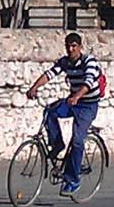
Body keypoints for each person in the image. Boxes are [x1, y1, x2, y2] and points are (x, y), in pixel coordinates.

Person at [26, 32, 102, 196]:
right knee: (50, 112)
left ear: (80, 47)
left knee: (77, 140)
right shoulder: (65, 62)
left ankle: (73, 180)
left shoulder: (89, 61)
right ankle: (58, 144)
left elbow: (89, 81)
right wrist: (34, 87)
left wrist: (77, 96)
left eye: (74, 46)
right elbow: (50, 74)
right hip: (73, 101)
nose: (70, 49)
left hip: (88, 105)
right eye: (68, 46)